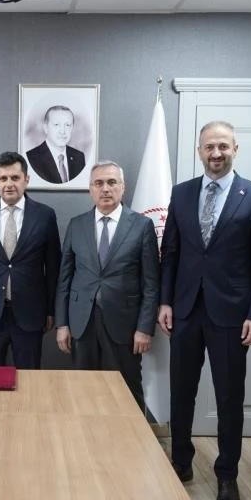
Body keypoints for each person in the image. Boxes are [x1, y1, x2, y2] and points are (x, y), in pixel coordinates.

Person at [157, 120, 251, 500]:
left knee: (228, 397)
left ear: (235, 148)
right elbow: (171, 253)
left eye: (223, 146)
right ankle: (181, 462)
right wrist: (165, 302)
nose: (216, 153)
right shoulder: (182, 193)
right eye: (209, 146)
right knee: (181, 392)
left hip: (232, 314)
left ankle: (227, 475)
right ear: (199, 151)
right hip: (186, 310)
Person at [55, 161, 159, 411]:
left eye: (112, 182)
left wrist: (145, 328)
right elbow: (64, 279)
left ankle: (131, 437)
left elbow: (151, 284)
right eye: (98, 183)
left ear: (123, 187)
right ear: (90, 189)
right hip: (82, 322)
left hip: (125, 325)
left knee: (127, 392)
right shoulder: (76, 224)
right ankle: (85, 435)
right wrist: (62, 324)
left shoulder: (142, 226)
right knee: (83, 391)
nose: (105, 189)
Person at [0, 151, 61, 368]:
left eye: (15, 178)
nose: (9, 184)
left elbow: (53, 268)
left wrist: (50, 310)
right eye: (3, 178)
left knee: (29, 379)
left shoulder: (45, 215)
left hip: (30, 314)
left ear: (26, 179)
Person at [26, 105, 86, 184]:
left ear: (72, 128)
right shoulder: (32, 158)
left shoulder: (79, 157)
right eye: (56, 125)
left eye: (67, 125)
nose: (62, 131)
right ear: (46, 128)